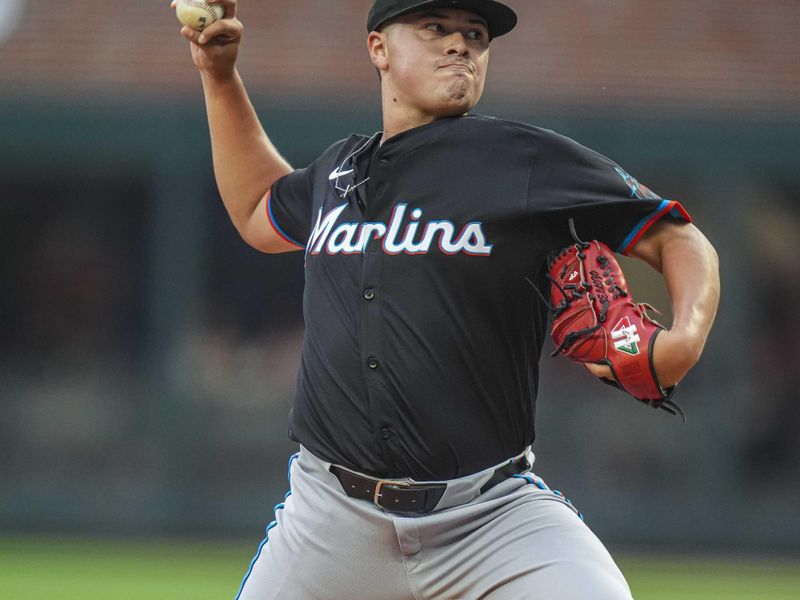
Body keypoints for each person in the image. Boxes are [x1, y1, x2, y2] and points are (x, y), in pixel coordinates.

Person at [174, 1, 720, 598]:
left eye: (475, 34)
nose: (460, 44)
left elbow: (676, 235)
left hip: (490, 518)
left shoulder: (523, 159)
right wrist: (219, 76)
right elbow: (258, 210)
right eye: (436, 28)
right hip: (329, 519)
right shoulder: (338, 172)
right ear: (378, 48)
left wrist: (686, 338)